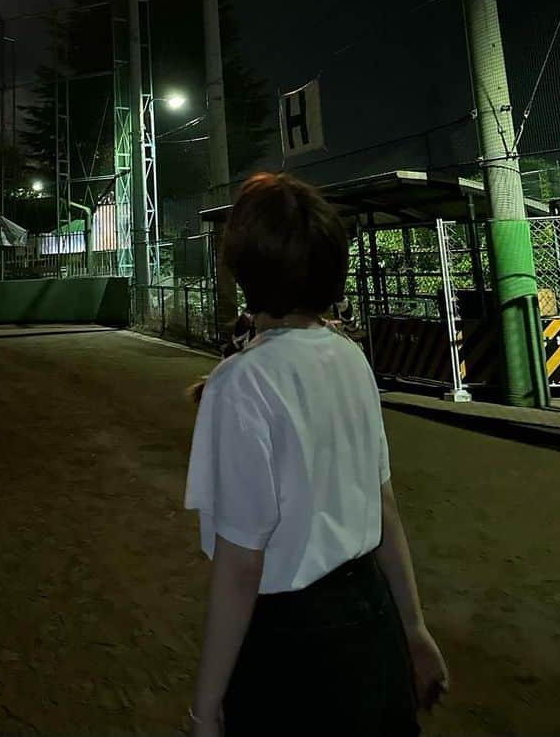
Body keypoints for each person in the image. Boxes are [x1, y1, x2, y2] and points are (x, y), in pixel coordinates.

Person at [183, 173, 448, 736]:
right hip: (370, 626)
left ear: (247, 268)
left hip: (293, 648)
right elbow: (384, 509)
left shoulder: (241, 383)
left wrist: (205, 709)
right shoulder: (349, 358)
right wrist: (413, 629)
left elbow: (240, 566)